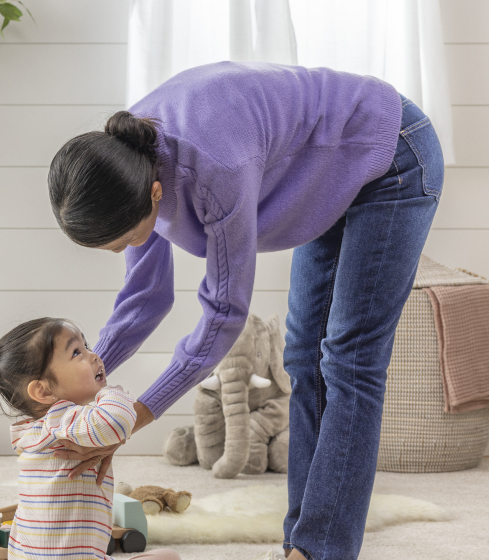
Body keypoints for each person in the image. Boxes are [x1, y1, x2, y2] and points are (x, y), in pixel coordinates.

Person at [47, 61, 444, 560]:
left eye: (124, 241)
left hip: (391, 155)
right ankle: (303, 542)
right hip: (331, 169)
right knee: (303, 357)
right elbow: (145, 296)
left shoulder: (215, 169)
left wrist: (132, 418)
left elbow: (223, 316)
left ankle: (318, 551)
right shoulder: (126, 161)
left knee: (350, 361)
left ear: (154, 194)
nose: (122, 251)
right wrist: (78, 384)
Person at [0, 318, 181, 560]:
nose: (94, 356)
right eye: (76, 352)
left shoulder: (40, 432)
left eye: (87, 346)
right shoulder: (62, 419)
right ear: (44, 391)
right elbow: (116, 421)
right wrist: (112, 392)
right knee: (169, 557)